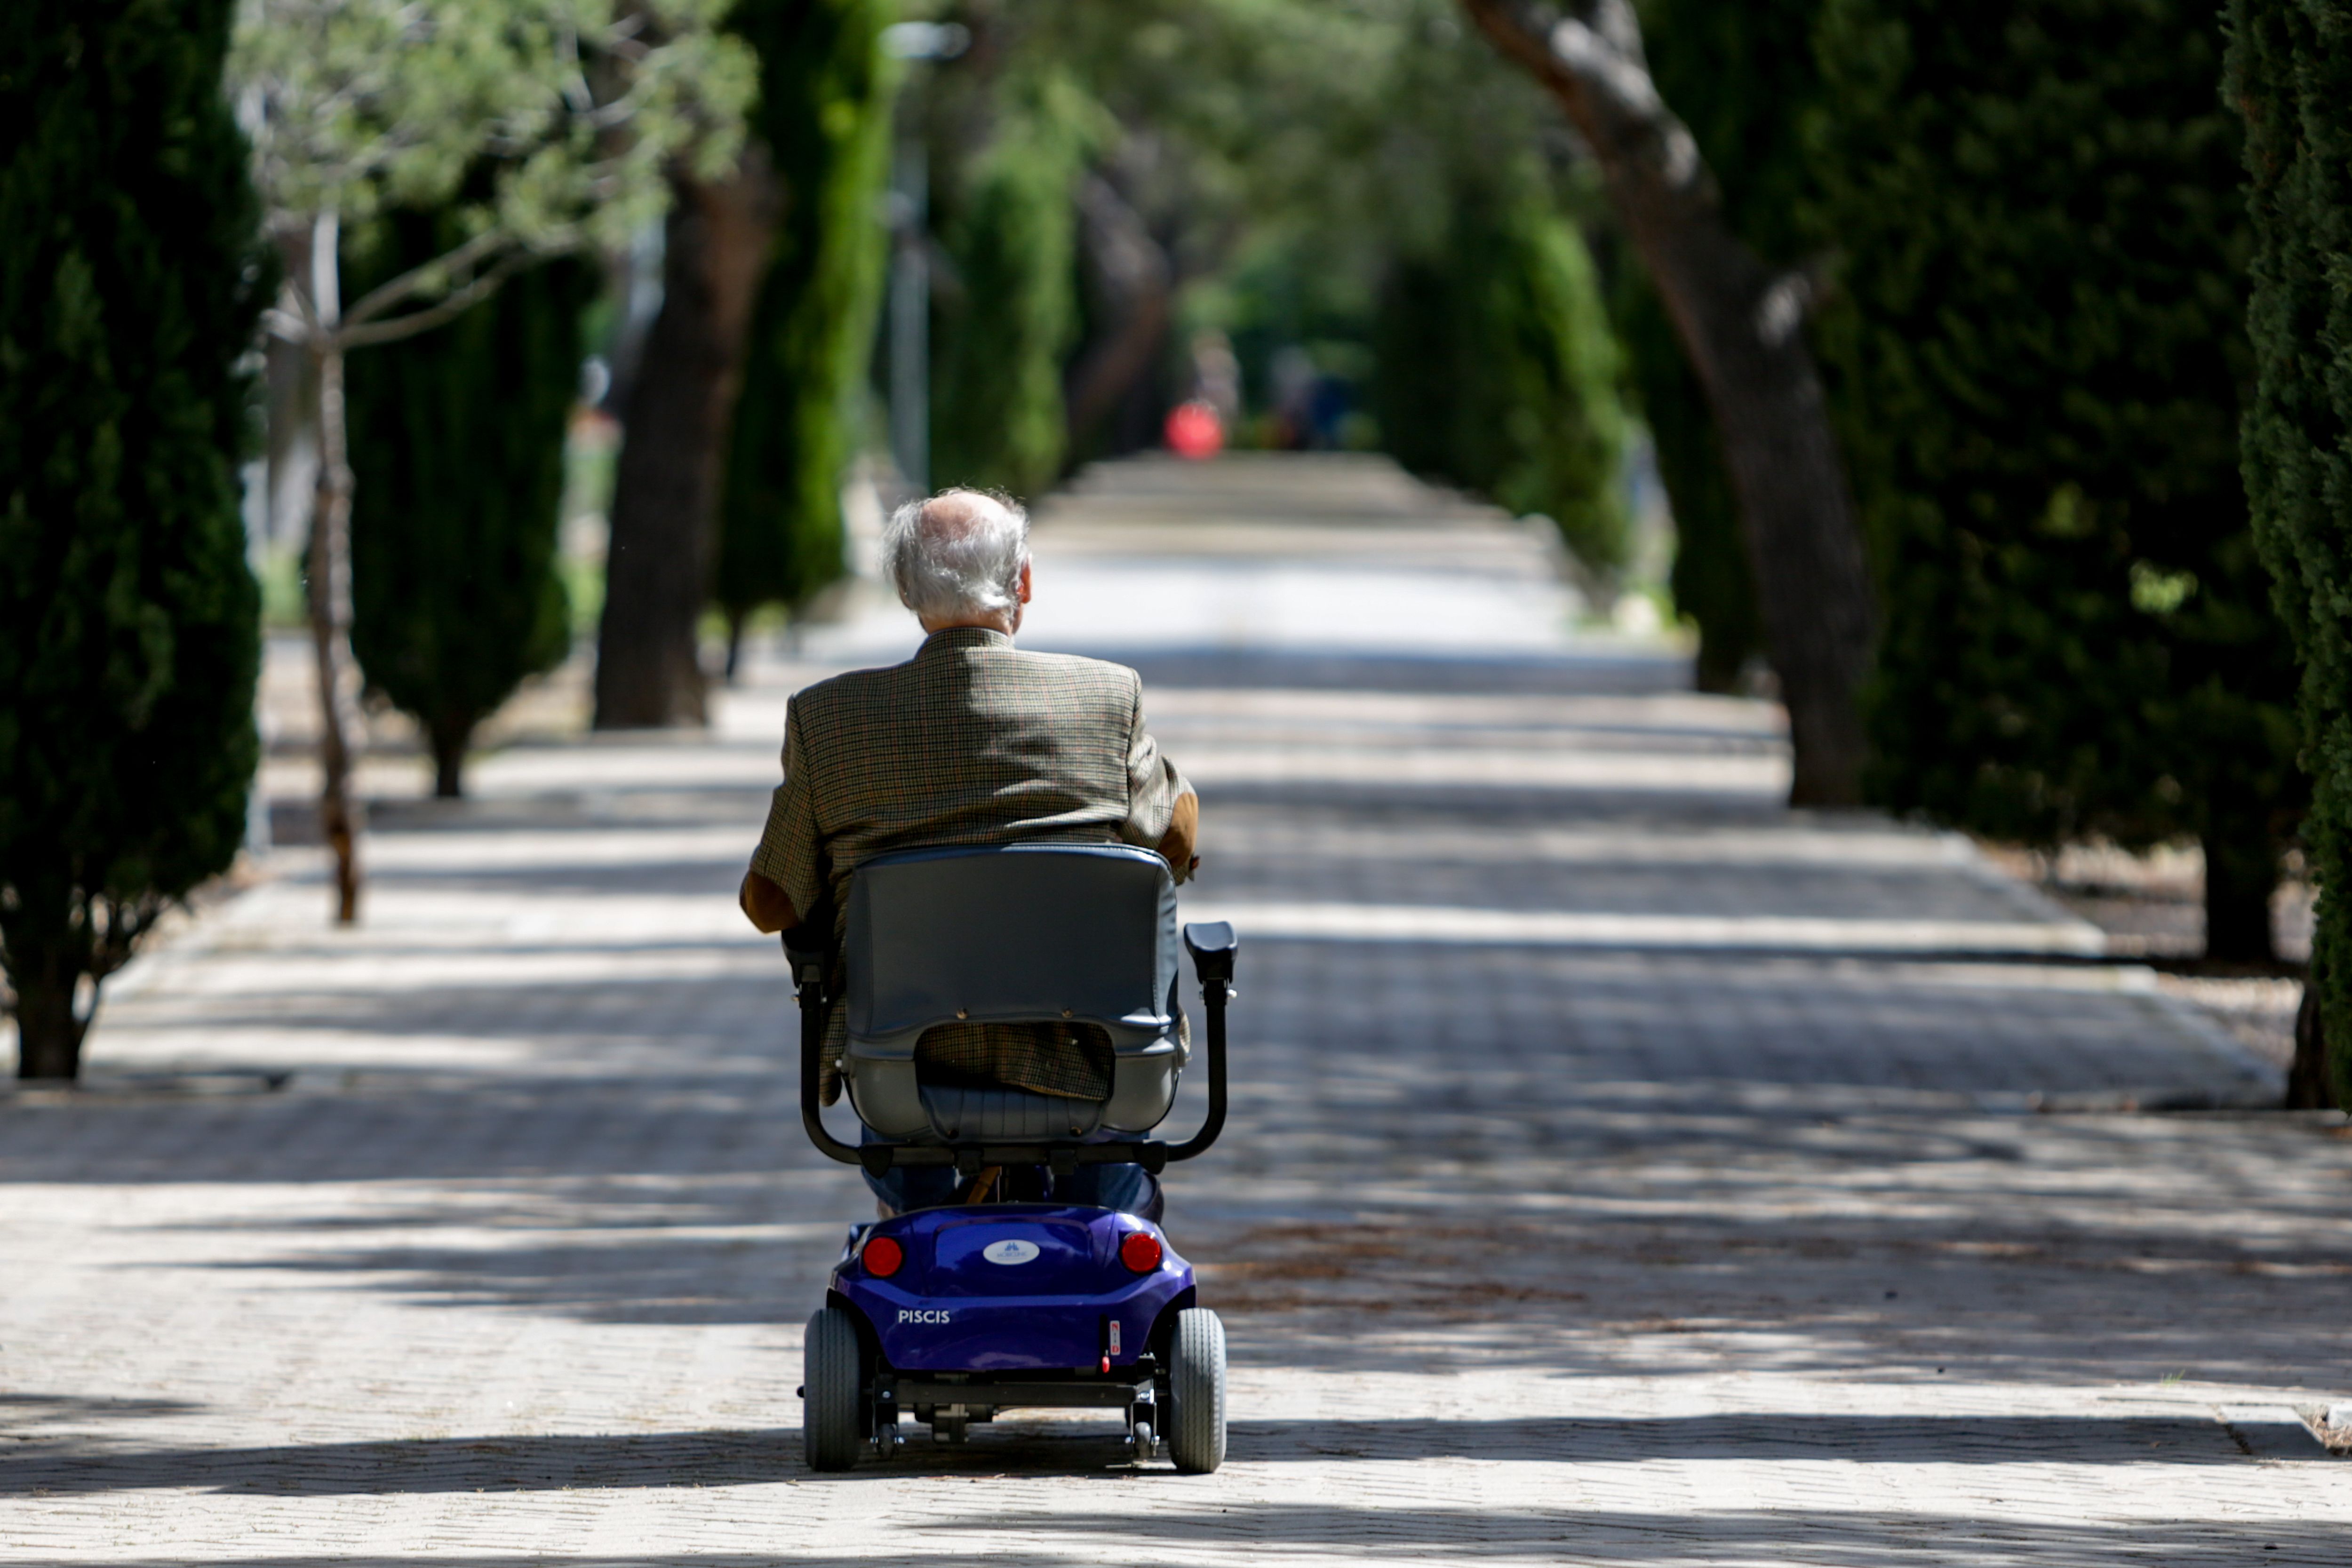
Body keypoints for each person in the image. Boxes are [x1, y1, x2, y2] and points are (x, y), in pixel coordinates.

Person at [738, 488, 1199, 1220]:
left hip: (911, 1077)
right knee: (1115, 1181)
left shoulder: (829, 719)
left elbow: (773, 903)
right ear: (1023, 583)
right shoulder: (1107, 698)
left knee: (906, 1189)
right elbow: (1174, 841)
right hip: (1093, 1064)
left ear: (904, 591)